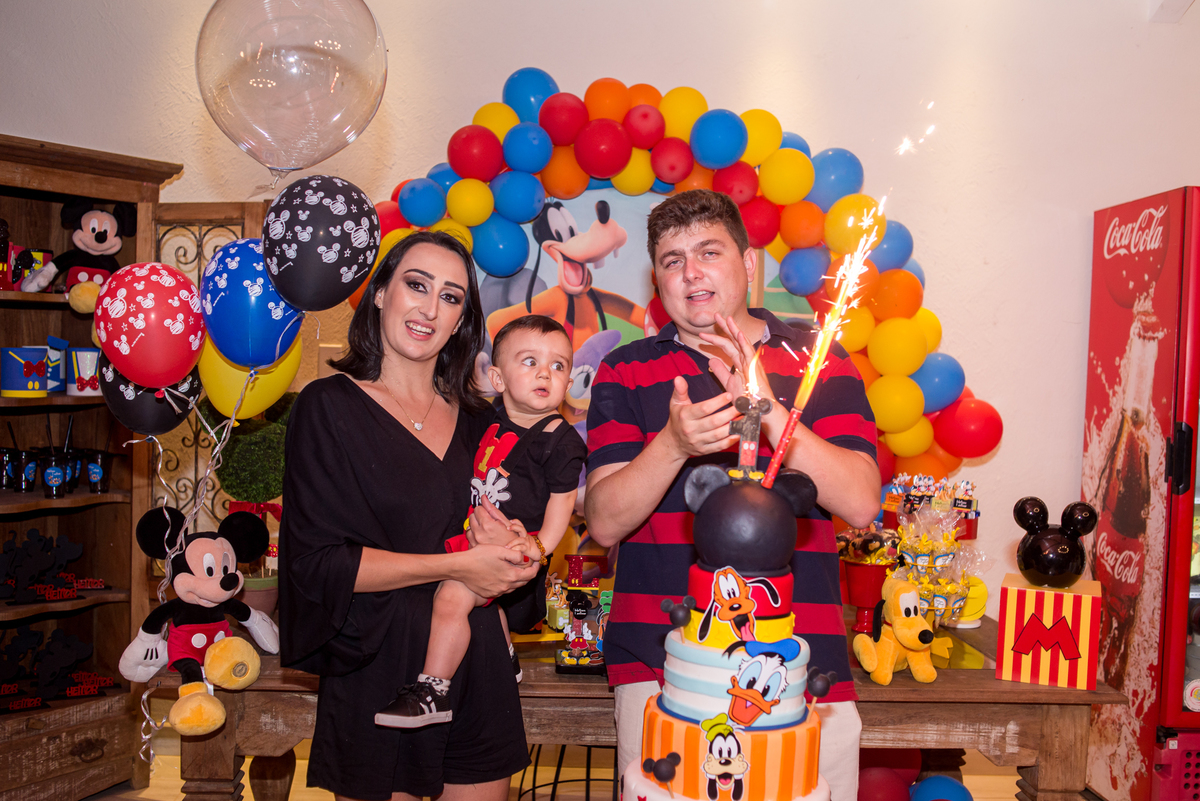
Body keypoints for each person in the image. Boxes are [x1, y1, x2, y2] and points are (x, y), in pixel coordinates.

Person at [585, 189, 880, 801]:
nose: (691, 272)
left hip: (804, 669)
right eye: (672, 260)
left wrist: (768, 406)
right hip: (661, 667)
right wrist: (672, 445)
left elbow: (859, 502)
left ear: (748, 264)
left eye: (708, 252)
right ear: (658, 280)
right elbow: (605, 522)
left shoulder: (819, 359)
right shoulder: (627, 369)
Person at [278, 230, 541, 801]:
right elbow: (318, 565)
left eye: (450, 297)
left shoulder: (481, 423)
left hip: (478, 662)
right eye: (416, 285)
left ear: (461, 320)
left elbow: (513, 537)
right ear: (380, 294)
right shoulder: (327, 408)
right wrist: (459, 566)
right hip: (378, 665)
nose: (429, 308)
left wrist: (521, 549)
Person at [376, 314, 587, 728]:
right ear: (498, 378)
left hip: (515, 550)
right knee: (483, 604)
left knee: (452, 598)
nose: (545, 373)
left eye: (558, 365)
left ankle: (433, 691)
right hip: (476, 539)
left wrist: (538, 547)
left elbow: (562, 504)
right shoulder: (488, 419)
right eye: (530, 361)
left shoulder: (560, 441)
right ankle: (507, 662)